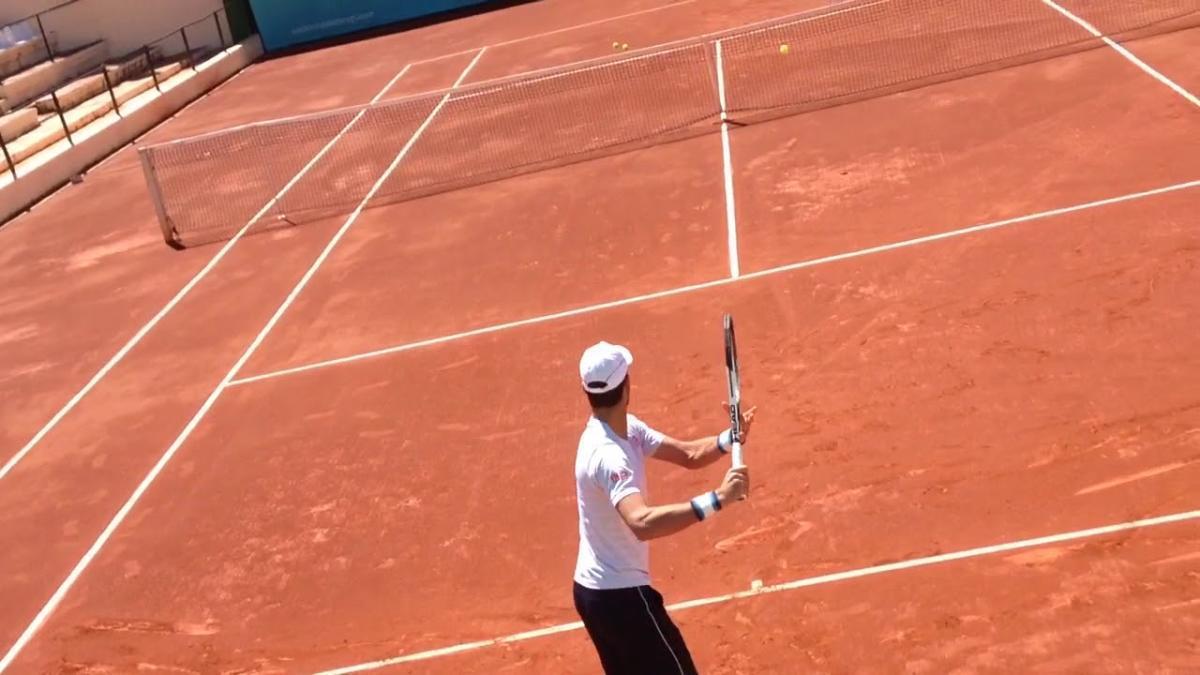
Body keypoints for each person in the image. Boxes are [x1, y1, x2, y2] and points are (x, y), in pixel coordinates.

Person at [573, 341, 754, 675]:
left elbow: (688, 455)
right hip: (620, 598)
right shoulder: (608, 454)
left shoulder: (626, 428)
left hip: (596, 594)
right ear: (626, 385)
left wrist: (729, 438)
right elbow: (640, 521)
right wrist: (717, 499)